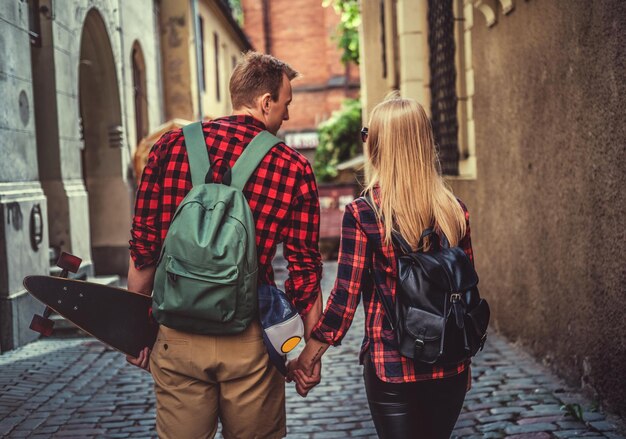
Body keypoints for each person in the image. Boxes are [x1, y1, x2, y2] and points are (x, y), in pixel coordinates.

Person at [126, 51, 323, 439]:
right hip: (248, 338)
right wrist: (307, 353)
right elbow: (304, 271)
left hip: (177, 334)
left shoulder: (167, 148)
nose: (286, 116)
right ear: (266, 102)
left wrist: (136, 331)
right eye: (285, 105)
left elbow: (144, 251)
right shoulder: (292, 167)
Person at [290, 94, 474, 438]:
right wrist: (466, 363)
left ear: (376, 144)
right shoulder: (454, 210)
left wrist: (309, 357)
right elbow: (464, 296)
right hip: (449, 363)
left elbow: (344, 299)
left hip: (392, 365)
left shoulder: (365, 213)